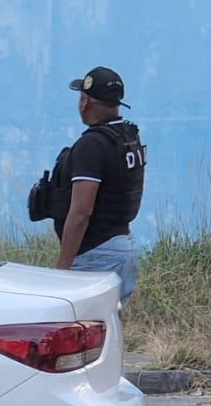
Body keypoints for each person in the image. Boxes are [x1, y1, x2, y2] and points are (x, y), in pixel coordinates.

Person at [51, 66, 146, 300]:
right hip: (122, 244)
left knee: (78, 321)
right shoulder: (128, 137)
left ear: (85, 102)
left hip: (96, 254)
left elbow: (81, 212)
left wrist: (63, 266)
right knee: (107, 321)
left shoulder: (91, 144)